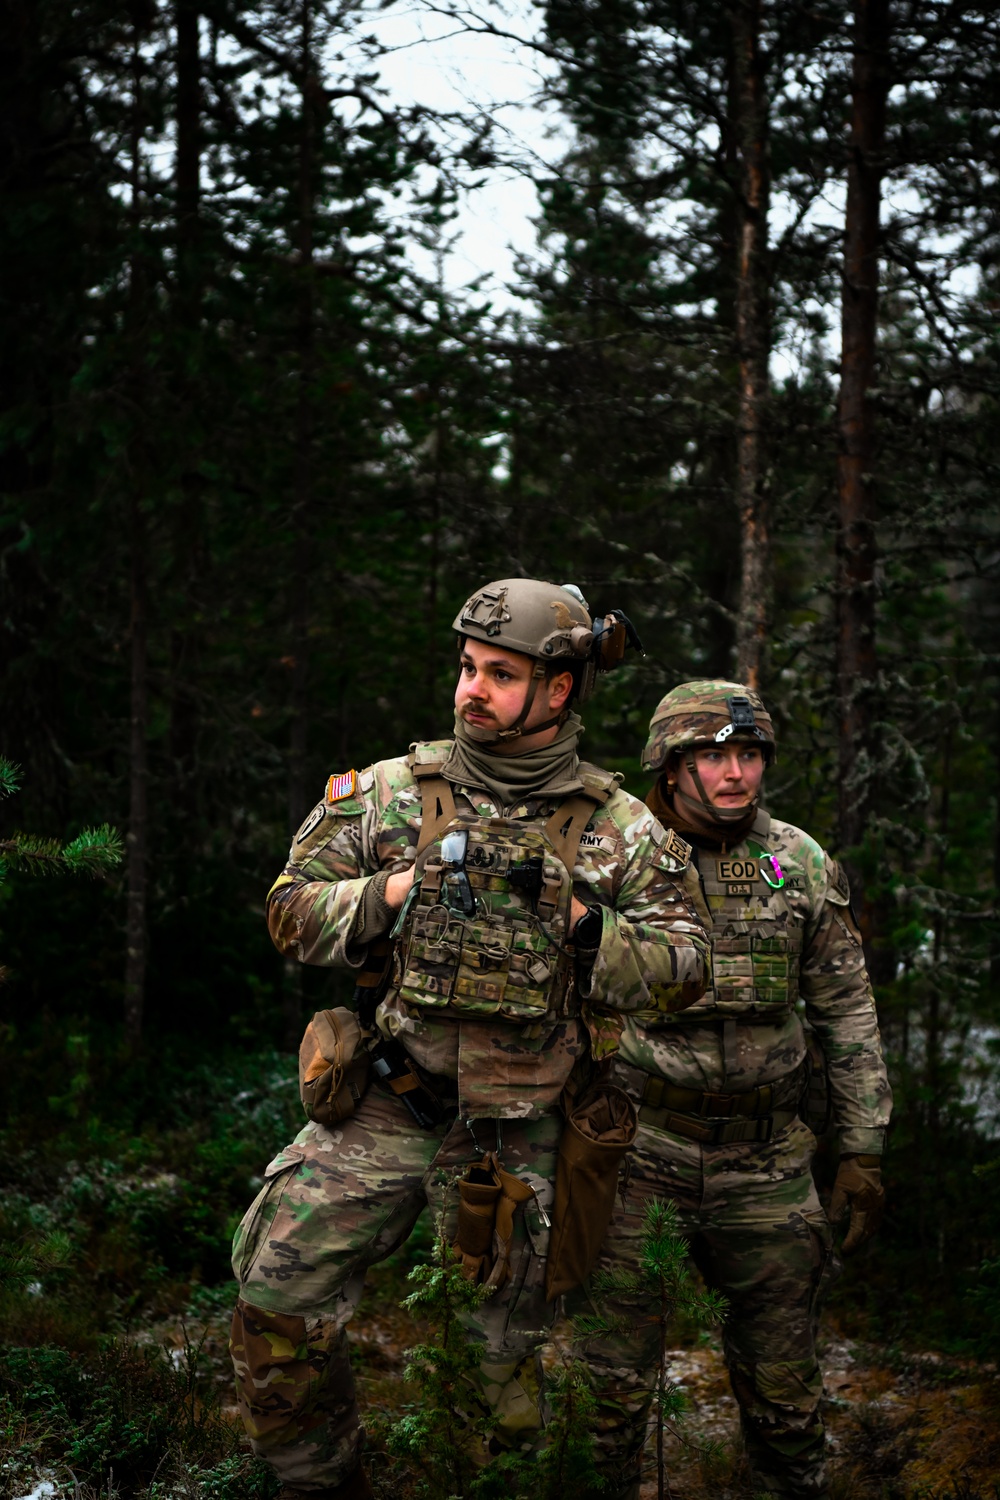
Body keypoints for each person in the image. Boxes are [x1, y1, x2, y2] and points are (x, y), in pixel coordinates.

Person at [228, 580, 709, 1500]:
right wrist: (389, 894)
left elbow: (688, 971)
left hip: (521, 1138)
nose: (468, 691)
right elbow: (288, 913)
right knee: (273, 1306)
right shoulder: (389, 794)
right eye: (465, 668)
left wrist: (582, 924)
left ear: (559, 690)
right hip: (388, 1103)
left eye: (498, 673)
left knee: (496, 1393)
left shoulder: (620, 830)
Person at [599, 679, 891, 1499]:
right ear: (669, 765)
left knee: (785, 1394)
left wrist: (862, 1147)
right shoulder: (614, 854)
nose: (737, 773)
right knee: (608, 1391)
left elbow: (846, 1008)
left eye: (750, 754)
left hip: (765, 1159)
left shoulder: (796, 860)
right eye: (715, 756)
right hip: (638, 1153)